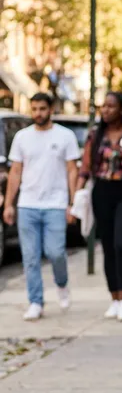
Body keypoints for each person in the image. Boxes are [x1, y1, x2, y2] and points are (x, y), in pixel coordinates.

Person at [2, 92, 80, 320]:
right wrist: (9, 204)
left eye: (42, 109)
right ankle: (35, 301)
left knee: (55, 253)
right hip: (28, 204)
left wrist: (71, 203)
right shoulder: (22, 137)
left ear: (51, 109)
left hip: (55, 204)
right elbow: (15, 172)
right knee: (30, 257)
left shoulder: (65, 136)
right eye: (34, 109)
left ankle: (62, 284)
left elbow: (72, 170)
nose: (38, 113)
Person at [76, 92, 122, 321]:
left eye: (111, 106)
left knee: (121, 244)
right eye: (104, 106)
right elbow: (86, 167)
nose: (106, 110)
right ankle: (113, 299)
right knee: (107, 245)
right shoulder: (95, 135)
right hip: (102, 191)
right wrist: (76, 197)